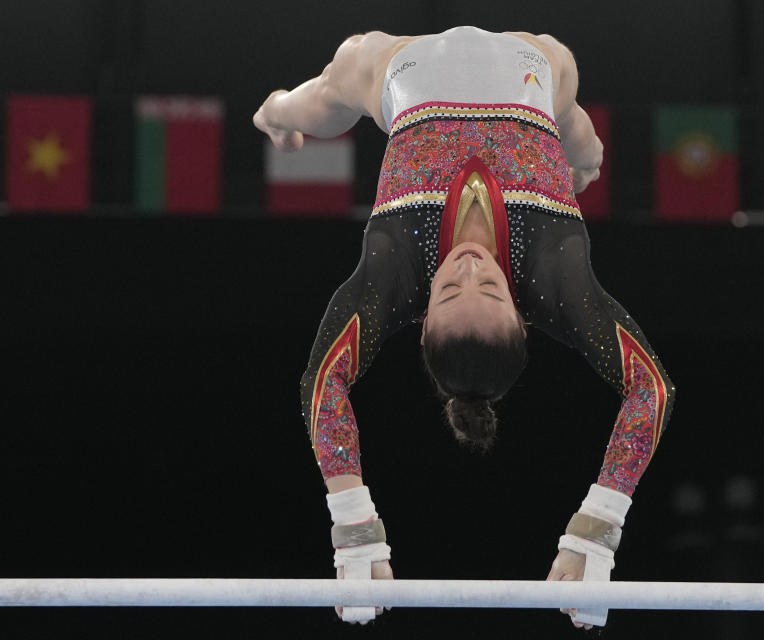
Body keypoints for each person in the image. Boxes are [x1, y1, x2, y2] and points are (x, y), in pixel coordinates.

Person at [253, 26, 675, 628]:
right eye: (494, 288)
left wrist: (354, 525)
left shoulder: (394, 272)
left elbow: (323, 383)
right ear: (525, 317)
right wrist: (596, 529)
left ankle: (274, 114)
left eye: (450, 289)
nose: (472, 269)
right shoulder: (555, 276)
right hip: (533, 72)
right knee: (573, 119)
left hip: (398, 71)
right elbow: (651, 388)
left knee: (319, 97)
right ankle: (585, 161)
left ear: (421, 318)